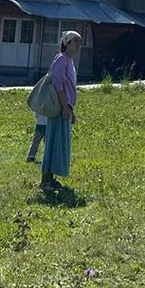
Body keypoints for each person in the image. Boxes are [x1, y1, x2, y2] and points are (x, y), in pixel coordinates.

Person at [41, 29, 81, 191]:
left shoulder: (69, 61)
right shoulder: (61, 59)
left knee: (60, 143)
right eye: (76, 41)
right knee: (53, 142)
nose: (79, 45)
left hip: (65, 107)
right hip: (58, 107)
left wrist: (71, 109)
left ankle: (52, 178)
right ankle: (45, 180)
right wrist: (65, 106)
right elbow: (58, 84)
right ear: (67, 43)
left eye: (79, 41)